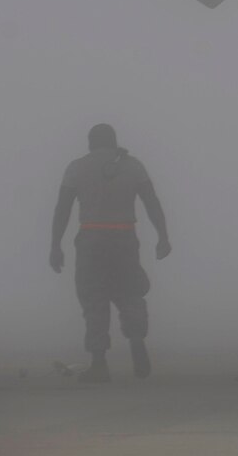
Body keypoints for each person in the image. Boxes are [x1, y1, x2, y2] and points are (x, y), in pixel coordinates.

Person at [49, 124, 171, 382]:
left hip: (91, 238)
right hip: (124, 237)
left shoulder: (77, 167)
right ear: (114, 142)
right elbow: (152, 202)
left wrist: (55, 245)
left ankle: (99, 362)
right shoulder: (133, 165)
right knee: (130, 293)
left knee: (94, 299)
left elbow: (62, 209)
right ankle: (136, 338)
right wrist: (163, 236)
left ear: (90, 143)